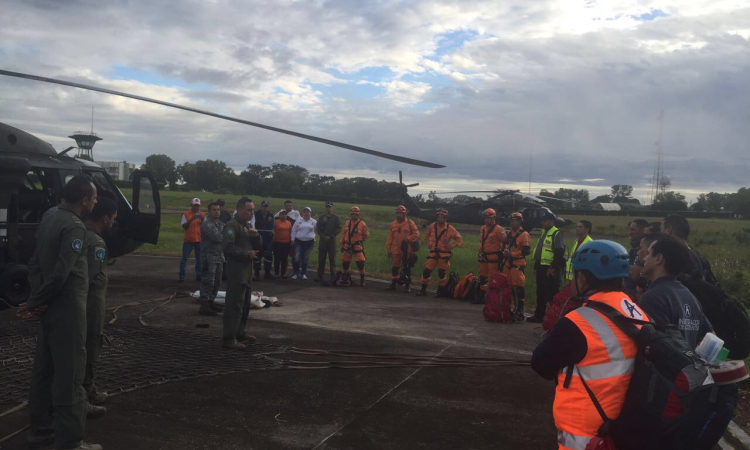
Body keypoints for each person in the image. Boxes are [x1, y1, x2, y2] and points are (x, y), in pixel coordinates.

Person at [532, 240, 648, 450]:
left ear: (582, 278)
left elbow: (541, 364)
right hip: (620, 424)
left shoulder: (579, 322)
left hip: (585, 432)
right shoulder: (634, 310)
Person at [26, 175, 102, 450]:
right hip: (67, 309)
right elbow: (61, 274)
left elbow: (34, 263)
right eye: (94, 198)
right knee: (70, 373)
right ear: (84, 200)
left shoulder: (49, 219)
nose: (95, 202)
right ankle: (71, 440)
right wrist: (37, 300)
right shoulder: (74, 227)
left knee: (44, 369)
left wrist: (36, 297)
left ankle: (41, 428)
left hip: (48, 307)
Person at [640, 234, 713, 349]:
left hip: (665, 367)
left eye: (648, 253)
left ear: (658, 259)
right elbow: (712, 339)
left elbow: (656, 347)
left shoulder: (652, 298)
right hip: (689, 366)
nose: (644, 258)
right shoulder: (690, 297)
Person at [82, 197, 118, 418]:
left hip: (82, 304)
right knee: (90, 345)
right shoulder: (96, 242)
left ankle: (85, 390)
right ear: (105, 219)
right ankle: (83, 395)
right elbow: (88, 277)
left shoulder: (80, 232)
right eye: (113, 219)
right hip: (89, 305)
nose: (113, 223)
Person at [222, 197, 261, 350]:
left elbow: (258, 244)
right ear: (239, 210)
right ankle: (229, 338)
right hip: (236, 271)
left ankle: (239, 332)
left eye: (253, 209)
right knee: (234, 304)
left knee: (244, 303)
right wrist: (246, 254)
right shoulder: (232, 226)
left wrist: (256, 236)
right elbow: (228, 247)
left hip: (246, 271)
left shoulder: (247, 225)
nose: (252, 212)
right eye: (249, 210)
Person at [528, 211, 565, 323]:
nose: (542, 222)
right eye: (542, 220)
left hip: (549, 268)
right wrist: (535, 267)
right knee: (540, 292)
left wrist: (552, 268)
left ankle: (556, 315)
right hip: (541, 266)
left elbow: (559, 252)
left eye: (545, 220)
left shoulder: (556, 233)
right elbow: (540, 252)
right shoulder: (544, 232)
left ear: (551, 221)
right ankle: (540, 314)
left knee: (551, 293)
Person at [416, 208, 462, 296]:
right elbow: (426, 235)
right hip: (433, 253)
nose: (440, 219)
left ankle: (440, 291)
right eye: (439, 217)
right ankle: (423, 289)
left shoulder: (450, 228)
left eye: (442, 217)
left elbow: (459, 239)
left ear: (445, 218)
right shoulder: (432, 226)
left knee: (441, 273)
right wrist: (429, 243)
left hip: (444, 255)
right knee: (426, 271)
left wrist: (452, 246)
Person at [661, 214, 717, 284]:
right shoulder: (697, 255)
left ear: (669, 230)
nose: (660, 233)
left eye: (662, 229)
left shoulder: (676, 257)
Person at [503, 212, 532, 321]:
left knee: (518, 287)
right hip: (507, 264)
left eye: (514, 220)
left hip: (517, 265)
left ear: (520, 221)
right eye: (511, 220)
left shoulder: (524, 234)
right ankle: (510, 308)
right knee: (508, 287)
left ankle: (520, 310)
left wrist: (512, 254)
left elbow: (526, 250)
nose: (511, 222)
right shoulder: (510, 233)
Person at [198, 202, 225, 316]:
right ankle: (204, 305)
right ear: (209, 211)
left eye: (218, 209)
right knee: (208, 281)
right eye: (214, 210)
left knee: (217, 281)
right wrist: (228, 237)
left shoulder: (220, 223)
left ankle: (211, 301)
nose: (217, 211)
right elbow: (217, 238)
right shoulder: (206, 224)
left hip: (219, 256)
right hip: (209, 257)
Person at [385, 205, 420, 292]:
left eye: (401, 214)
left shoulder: (410, 223)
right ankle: (393, 284)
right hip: (395, 250)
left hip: (406, 250)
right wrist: (388, 249)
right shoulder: (393, 224)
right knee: (395, 268)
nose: (399, 215)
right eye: (398, 213)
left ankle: (407, 286)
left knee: (407, 268)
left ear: (404, 214)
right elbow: (390, 238)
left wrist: (408, 239)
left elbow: (416, 234)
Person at [477, 208, 507, 294]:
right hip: (483, 256)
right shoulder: (482, 228)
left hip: (493, 258)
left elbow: (505, 242)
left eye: (488, 218)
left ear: (493, 218)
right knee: (483, 276)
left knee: (494, 277)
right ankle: (482, 295)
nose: (486, 220)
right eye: (485, 218)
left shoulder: (499, 229)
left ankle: (493, 296)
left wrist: (503, 253)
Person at [340, 206, 370, 286]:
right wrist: (341, 245)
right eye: (353, 214)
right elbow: (343, 235)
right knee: (345, 263)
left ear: (358, 215)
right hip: (347, 246)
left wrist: (359, 241)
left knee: (360, 264)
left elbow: (366, 235)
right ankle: (346, 277)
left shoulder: (362, 224)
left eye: (356, 214)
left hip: (357, 247)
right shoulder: (347, 223)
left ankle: (362, 280)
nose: (354, 216)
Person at [179, 198, 205, 282]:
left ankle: (199, 275)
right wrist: (191, 219)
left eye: (197, 205)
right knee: (184, 258)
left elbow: (206, 227)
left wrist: (202, 220)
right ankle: (182, 276)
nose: (196, 207)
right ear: (191, 205)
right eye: (194, 205)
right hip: (188, 240)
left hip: (199, 239)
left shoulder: (203, 215)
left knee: (199, 259)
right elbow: (184, 226)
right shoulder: (186, 214)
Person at [315, 202, 342, 282]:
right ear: (325, 208)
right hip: (323, 241)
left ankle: (333, 277)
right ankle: (320, 276)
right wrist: (323, 236)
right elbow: (318, 228)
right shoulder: (321, 217)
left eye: (329, 207)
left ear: (332, 208)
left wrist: (331, 236)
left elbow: (338, 229)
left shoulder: (336, 218)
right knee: (321, 259)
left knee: (332, 259)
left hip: (332, 241)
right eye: (327, 207)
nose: (328, 208)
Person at [624, 219, 648, 299]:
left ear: (643, 230)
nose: (630, 233)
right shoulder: (633, 249)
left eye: (633, 230)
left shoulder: (645, 250)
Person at [291, 207, 317, 280]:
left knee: (305, 258)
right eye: (305, 212)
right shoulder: (298, 221)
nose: (306, 213)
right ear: (303, 213)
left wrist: (313, 237)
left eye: (308, 212)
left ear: (310, 213)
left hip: (309, 243)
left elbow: (316, 231)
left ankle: (303, 273)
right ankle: (296, 273)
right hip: (298, 241)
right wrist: (292, 239)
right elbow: (294, 230)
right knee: (297, 258)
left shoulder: (314, 221)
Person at [254, 200, 275, 280]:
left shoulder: (271, 215)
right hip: (258, 237)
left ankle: (267, 273)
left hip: (268, 238)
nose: (265, 208)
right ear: (261, 206)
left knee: (268, 256)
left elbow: (271, 226)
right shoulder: (255, 214)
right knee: (257, 255)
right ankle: (256, 273)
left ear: (268, 207)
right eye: (263, 206)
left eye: (266, 206)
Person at [272, 210, 293, 278]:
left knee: (284, 258)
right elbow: (272, 230)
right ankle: (276, 273)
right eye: (282, 214)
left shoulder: (289, 223)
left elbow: (291, 232)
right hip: (277, 242)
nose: (283, 216)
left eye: (285, 214)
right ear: (279, 215)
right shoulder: (275, 222)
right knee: (277, 258)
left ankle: (283, 273)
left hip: (286, 243)